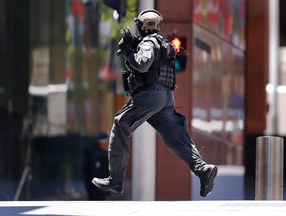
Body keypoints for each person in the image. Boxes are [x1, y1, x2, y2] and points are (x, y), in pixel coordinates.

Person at [92, 9, 218, 197]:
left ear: (142, 26)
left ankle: (115, 180)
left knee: (120, 124)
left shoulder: (148, 43)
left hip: (149, 96)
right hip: (165, 98)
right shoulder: (160, 42)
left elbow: (142, 64)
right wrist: (133, 45)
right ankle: (202, 169)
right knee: (176, 137)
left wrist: (127, 51)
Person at [83, 132, 110, 200]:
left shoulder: (100, 153)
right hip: (96, 189)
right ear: (103, 142)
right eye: (107, 141)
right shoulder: (97, 155)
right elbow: (96, 173)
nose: (108, 143)